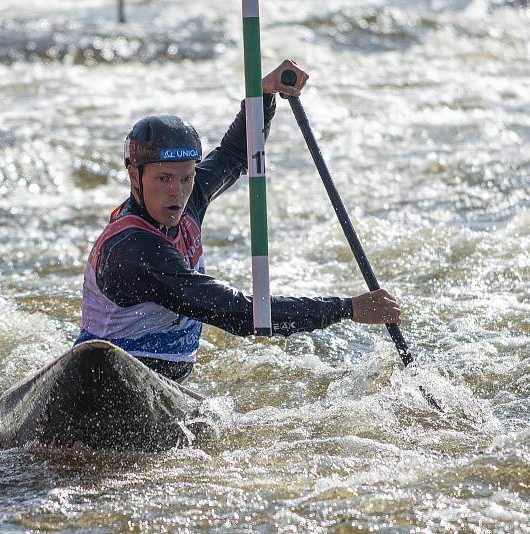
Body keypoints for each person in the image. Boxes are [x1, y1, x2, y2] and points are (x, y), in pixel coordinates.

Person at [76, 60, 401, 383]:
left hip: (166, 382)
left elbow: (234, 155)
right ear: (134, 175)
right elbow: (243, 315)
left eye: (187, 178)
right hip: (109, 377)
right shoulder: (134, 249)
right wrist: (346, 309)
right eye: (163, 179)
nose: (177, 193)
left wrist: (263, 94)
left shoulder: (190, 196)